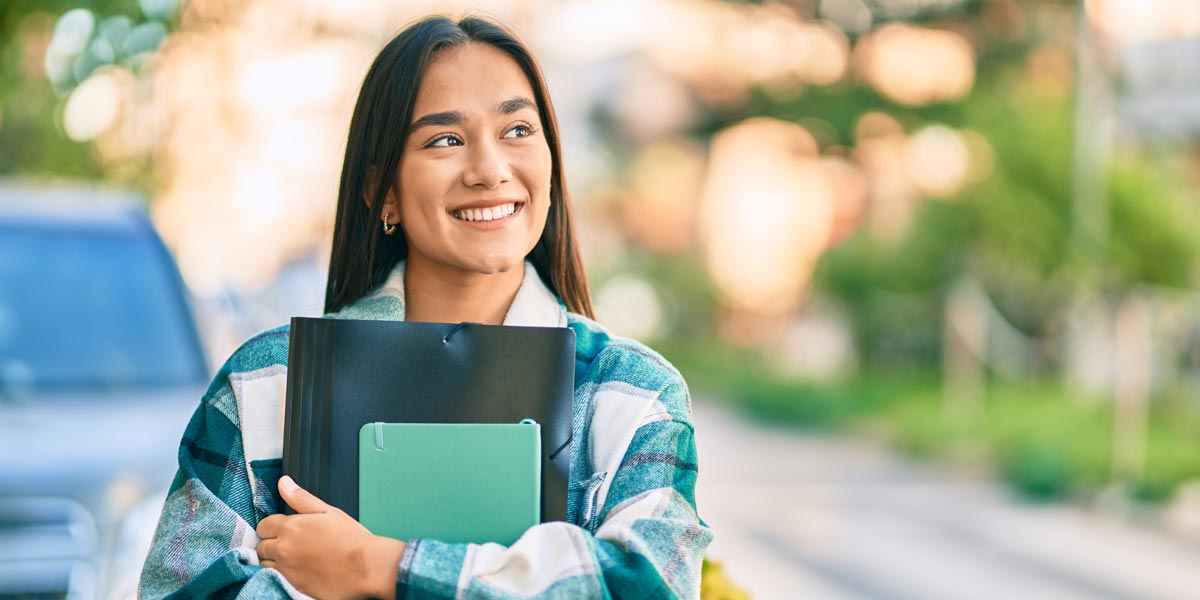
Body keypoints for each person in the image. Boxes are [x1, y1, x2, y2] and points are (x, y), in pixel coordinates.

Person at [139, 14, 712, 600]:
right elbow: (183, 588)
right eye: (445, 139)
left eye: (517, 129)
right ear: (380, 188)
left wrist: (379, 567)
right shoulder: (268, 383)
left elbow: (647, 584)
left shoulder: (632, 393)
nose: (490, 169)